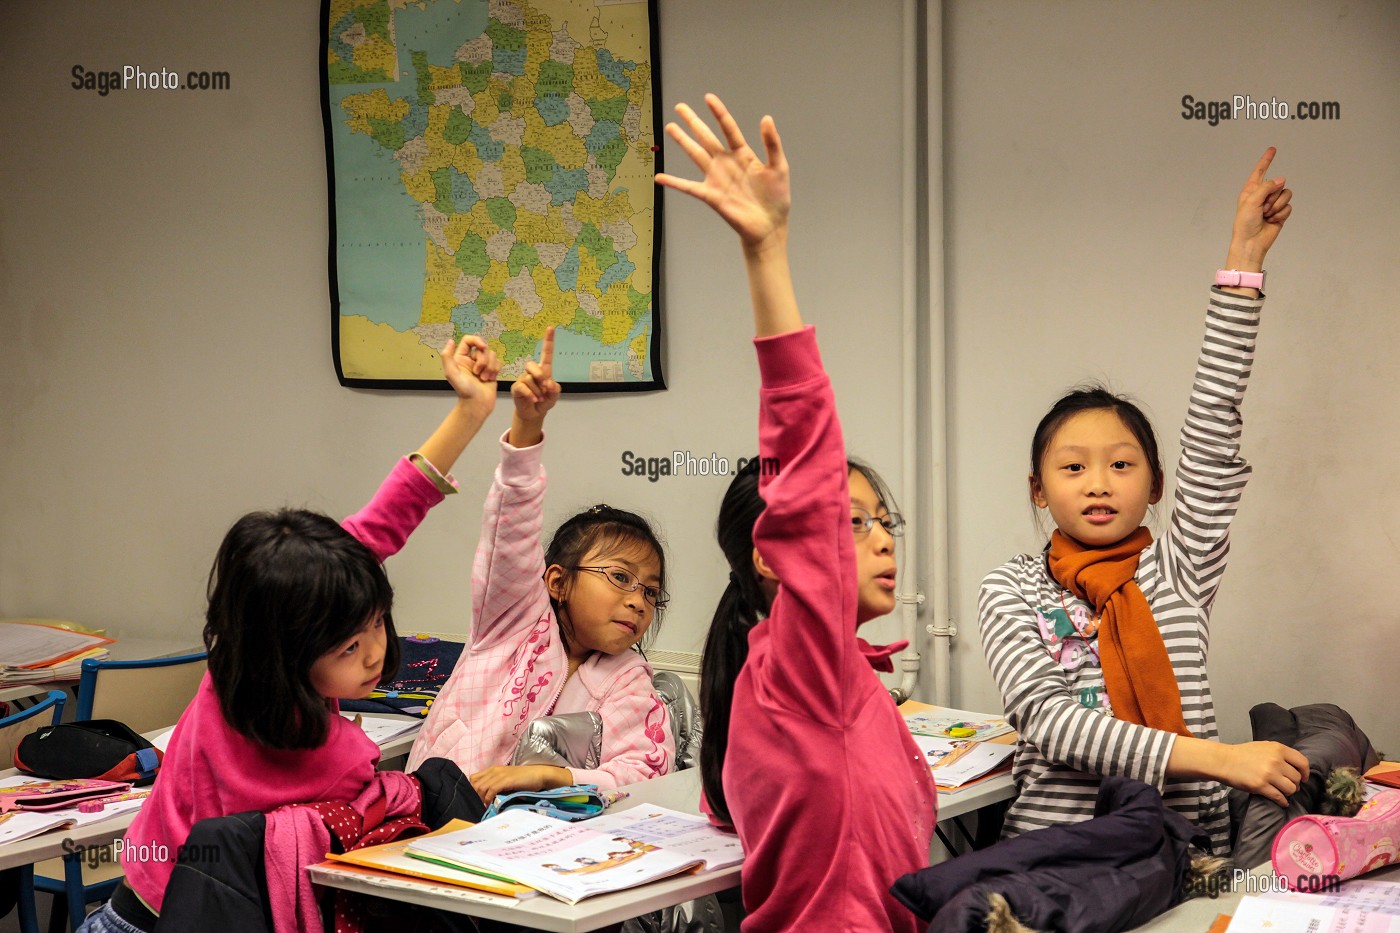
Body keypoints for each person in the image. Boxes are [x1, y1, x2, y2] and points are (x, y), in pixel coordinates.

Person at [80, 337, 502, 933]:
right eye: (348, 648)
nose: (376, 652)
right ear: (287, 654)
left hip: (137, 897)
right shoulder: (332, 756)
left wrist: (470, 412)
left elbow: (382, 521)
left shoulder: (241, 661)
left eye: (376, 622)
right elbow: (373, 794)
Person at [657, 93, 936, 932]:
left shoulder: (803, 673)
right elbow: (804, 453)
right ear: (778, 555)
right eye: (853, 522)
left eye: (885, 519)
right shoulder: (802, 665)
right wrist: (767, 253)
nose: (881, 537)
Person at [978, 148, 1306, 856]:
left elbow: (1215, 425)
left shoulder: (1178, 571)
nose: (1098, 482)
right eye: (1072, 466)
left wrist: (1243, 262)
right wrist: (1221, 757)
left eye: (1122, 464)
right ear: (1039, 488)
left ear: (1155, 485)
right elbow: (1050, 720)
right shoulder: (1011, 588)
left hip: (1186, 854)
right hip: (1059, 860)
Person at [407, 327, 675, 798]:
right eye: (620, 578)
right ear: (557, 581)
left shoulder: (629, 681)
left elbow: (647, 769)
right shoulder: (510, 622)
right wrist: (526, 430)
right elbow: (511, 532)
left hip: (531, 850)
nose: (638, 601)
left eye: (650, 592)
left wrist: (557, 776)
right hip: (431, 821)